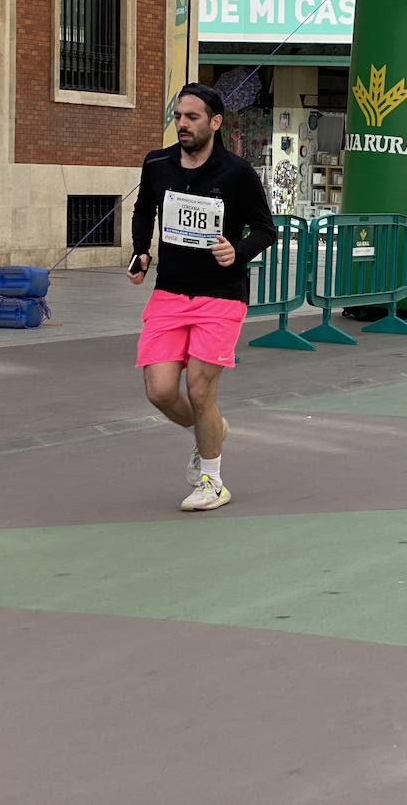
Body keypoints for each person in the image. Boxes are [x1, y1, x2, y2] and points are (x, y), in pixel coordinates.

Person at [128, 83, 276, 512]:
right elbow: (143, 210)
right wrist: (141, 251)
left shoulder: (236, 172)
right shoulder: (158, 164)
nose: (182, 125)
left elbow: (267, 229)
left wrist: (239, 250)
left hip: (221, 296)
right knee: (158, 391)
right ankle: (210, 429)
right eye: (178, 116)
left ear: (215, 122)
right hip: (170, 292)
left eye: (192, 117)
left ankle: (212, 479)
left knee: (198, 388)